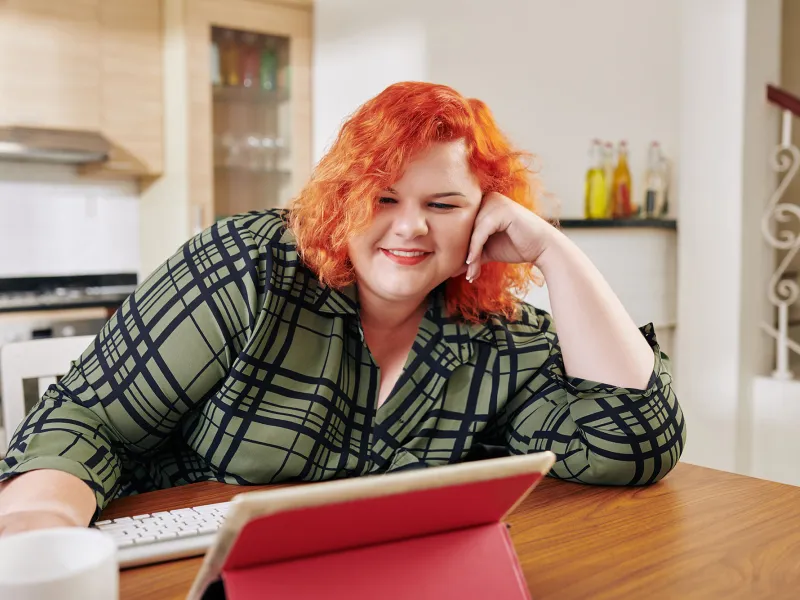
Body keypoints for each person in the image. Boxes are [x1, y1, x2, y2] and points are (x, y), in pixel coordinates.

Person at [0, 82, 685, 536]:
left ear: (485, 217)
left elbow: (630, 440)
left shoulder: (495, 336)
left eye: (443, 205)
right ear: (343, 199)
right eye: (384, 198)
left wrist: (554, 253)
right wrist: (42, 522)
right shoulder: (249, 270)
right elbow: (86, 419)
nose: (411, 228)